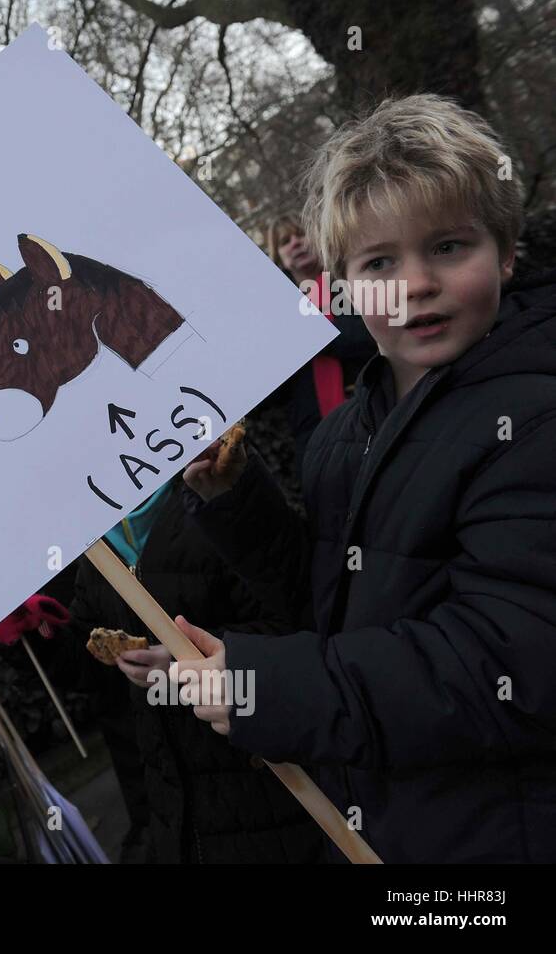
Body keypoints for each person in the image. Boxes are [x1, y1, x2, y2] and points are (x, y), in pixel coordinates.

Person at [176, 94, 556, 862]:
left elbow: (503, 661)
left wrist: (266, 687)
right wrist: (234, 498)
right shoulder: (344, 430)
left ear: (506, 252)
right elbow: (336, 604)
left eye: (449, 247)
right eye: (379, 262)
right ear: (343, 285)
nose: (414, 284)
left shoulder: (536, 415)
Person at [68, 477, 321, 863]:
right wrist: (40, 633)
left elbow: (292, 626)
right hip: (177, 812)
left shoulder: (218, 491)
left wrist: (183, 665)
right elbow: (90, 675)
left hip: (272, 789)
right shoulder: (98, 540)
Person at [265, 214, 376, 474]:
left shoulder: (352, 281)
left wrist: (309, 330)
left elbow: (368, 338)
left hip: (370, 411)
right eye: (285, 241)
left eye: (301, 234)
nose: (295, 243)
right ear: (279, 257)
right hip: (315, 436)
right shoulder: (274, 309)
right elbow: (273, 390)